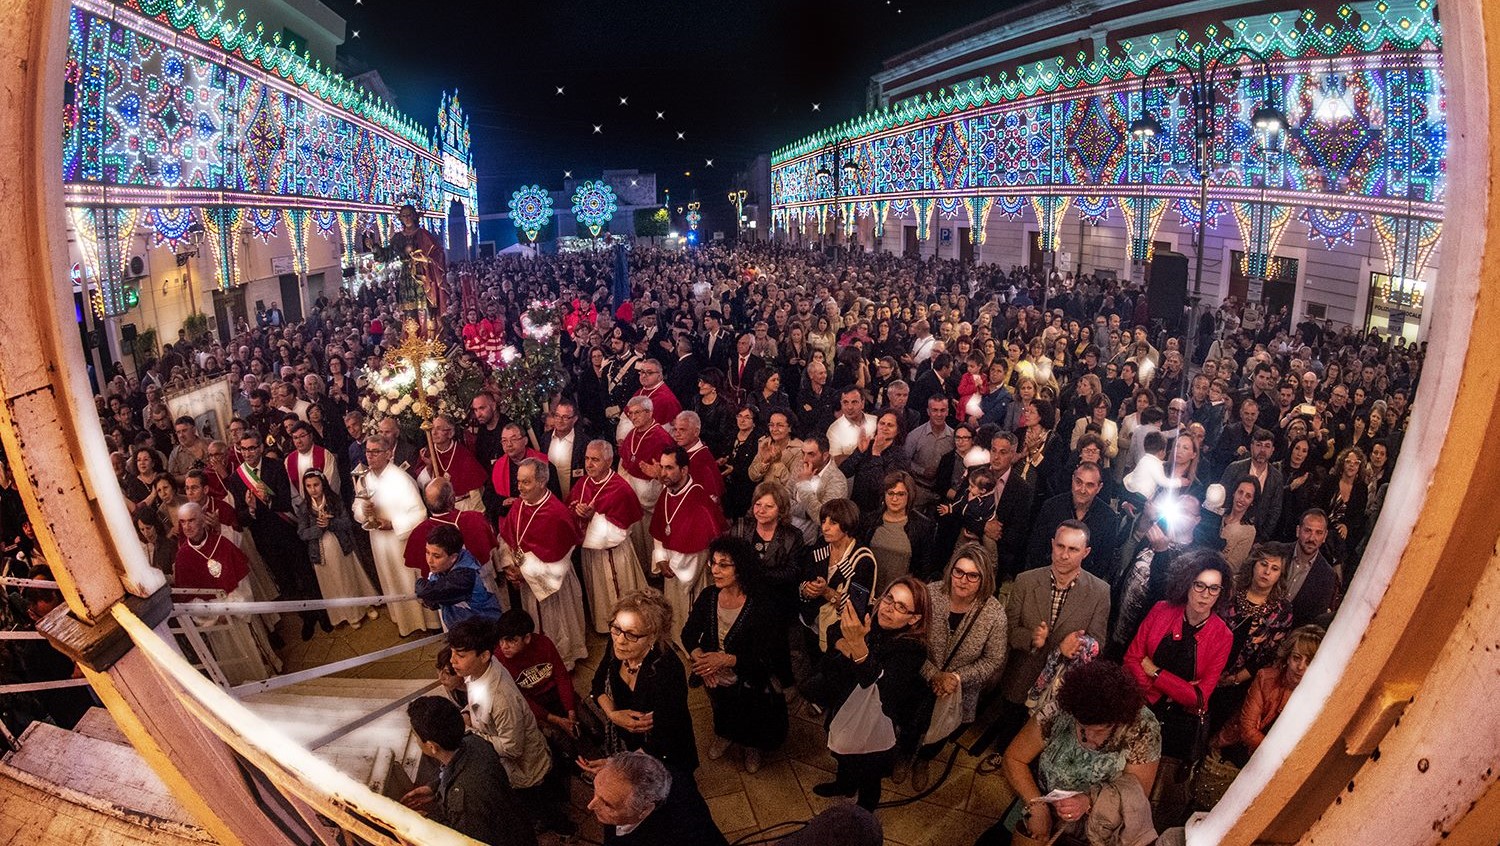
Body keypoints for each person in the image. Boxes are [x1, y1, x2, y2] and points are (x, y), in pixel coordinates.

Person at [802, 576, 931, 810]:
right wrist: (844, 644)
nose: (889, 608)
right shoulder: (871, 612)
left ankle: (864, 812)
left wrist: (858, 646)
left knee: (868, 770)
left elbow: (881, 686)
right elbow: (833, 630)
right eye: (889, 598)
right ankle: (844, 785)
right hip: (844, 699)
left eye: (901, 607)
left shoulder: (913, 649)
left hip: (875, 718)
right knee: (842, 752)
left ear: (914, 618)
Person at [985, 520, 1111, 760]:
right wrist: (1032, 638)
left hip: (1061, 684)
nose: (1064, 555)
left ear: (1086, 552)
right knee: (1011, 723)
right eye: (1060, 546)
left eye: (1073, 550)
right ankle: (1004, 756)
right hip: (1022, 674)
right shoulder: (1026, 580)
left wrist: (1070, 648)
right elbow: (1008, 629)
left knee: (1045, 733)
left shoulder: (1100, 591)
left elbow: (1098, 643)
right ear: (1052, 545)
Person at [998, 660, 1161, 846]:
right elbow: (1014, 758)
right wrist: (1036, 806)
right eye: (1082, 728)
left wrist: (1088, 801)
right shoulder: (1059, 709)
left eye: (1100, 731)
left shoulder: (1143, 727)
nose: (1090, 738)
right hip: (1041, 799)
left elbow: (1135, 795)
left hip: (1101, 823)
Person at [1124, 549, 1234, 812]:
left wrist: (1156, 673)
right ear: (1187, 583)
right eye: (1200, 586)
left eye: (1213, 589)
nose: (1205, 595)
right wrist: (1167, 689)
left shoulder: (1223, 635)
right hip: (1140, 707)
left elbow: (1199, 698)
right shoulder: (1162, 610)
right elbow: (1131, 659)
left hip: (1178, 726)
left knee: (1153, 797)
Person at [444, 618, 573, 837]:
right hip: (515, 762)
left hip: (525, 769)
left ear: (484, 655)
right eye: (453, 652)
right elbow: (477, 702)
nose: (452, 661)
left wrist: (471, 732)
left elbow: (513, 748)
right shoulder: (479, 671)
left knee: (540, 802)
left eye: (461, 655)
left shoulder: (500, 698)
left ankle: (565, 828)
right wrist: (467, 712)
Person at [681, 535, 787, 773]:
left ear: (741, 568)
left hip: (750, 676)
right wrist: (702, 661)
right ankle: (725, 735)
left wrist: (727, 659)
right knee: (722, 708)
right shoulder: (709, 596)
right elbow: (688, 634)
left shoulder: (761, 604)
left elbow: (767, 655)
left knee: (750, 712)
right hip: (714, 675)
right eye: (713, 563)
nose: (715, 570)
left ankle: (751, 745)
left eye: (724, 565)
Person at [913, 544, 1008, 791]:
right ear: (950, 570)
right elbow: (910, 640)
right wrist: (933, 674)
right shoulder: (931, 594)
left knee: (942, 730)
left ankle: (923, 760)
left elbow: (994, 659)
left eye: (972, 575)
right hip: (920, 677)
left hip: (959, 688)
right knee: (912, 721)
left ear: (984, 578)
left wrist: (955, 677)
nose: (963, 580)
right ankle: (904, 755)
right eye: (959, 572)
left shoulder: (994, 613)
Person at [400, 695, 538, 846]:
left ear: (432, 746)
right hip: (518, 829)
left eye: (416, 736)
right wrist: (435, 788)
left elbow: (466, 839)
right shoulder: (475, 743)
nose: (415, 740)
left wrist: (424, 823)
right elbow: (464, 769)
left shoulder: (463, 800)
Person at [588, 589, 699, 773]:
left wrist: (618, 766)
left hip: (661, 750)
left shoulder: (668, 670)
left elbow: (666, 733)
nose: (620, 641)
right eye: (616, 628)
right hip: (627, 740)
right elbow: (598, 684)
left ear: (653, 637)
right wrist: (613, 714)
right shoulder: (615, 642)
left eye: (632, 635)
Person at [499, 458, 586, 669]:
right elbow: (508, 538)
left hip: (554, 584)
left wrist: (524, 573)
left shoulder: (557, 513)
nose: (519, 487)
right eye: (518, 481)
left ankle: (563, 660)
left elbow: (560, 561)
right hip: (528, 579)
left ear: (542, 482)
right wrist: (510, 566)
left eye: (526, 482)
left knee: (558, 623)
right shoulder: (519, 506)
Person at [352, 435, 439, 636]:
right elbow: (355, 507)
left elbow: (419, 513)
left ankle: (424, 622)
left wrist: (393, 524)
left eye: (375, 452)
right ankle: (403, 622)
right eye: (368, 451)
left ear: (388, 454)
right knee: (389, 580)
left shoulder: (401, 478)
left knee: (406, 581)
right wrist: (364, 512)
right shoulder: (364, 478)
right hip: (378, 541)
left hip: (400, 541)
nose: (370, 456)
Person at [1211, 542, 1295, 736]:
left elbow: (1268, 656)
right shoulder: (1230, 591)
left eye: (1274, 569)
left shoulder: (1282, 611)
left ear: (1280, 576)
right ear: (1254, 564)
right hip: (1205, 667)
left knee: (1215, 726)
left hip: (1239, 684)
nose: (1266, 572)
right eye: (1263, 564)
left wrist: (1233, 680)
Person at [1212, 625, 1324, 766]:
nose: (1301, 667)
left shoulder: (1318, 696)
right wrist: (1279, 757)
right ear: (1288, 657)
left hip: (1278, 763)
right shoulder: (1266, 677)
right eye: (1296, 658)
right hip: (1241, 749)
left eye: (1309, 662)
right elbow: (1247, 729)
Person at [648, 446, 726, 646]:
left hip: (689, 571)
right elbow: (660, 530)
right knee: (674, 609)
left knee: (690, 611)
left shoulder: (699, 500)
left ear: (684, 470)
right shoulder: (667, 493)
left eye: (669, 468)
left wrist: (672, 565)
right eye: (662, 467)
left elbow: (701, 549)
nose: (663, 473)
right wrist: (661, 558)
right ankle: (675, 638)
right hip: (671, 567)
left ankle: (692, 646)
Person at [569, 439, 647, 634]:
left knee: (620, 593)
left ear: (609, 461)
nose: (588, 464)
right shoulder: (582, 483)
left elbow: (622, 529)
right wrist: (576, 511)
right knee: (599, 593)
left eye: (595, 459)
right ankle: (605, 626)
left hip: (614, 553)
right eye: (587, 459)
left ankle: (626, 628)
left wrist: (592, 517)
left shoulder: (620, 488)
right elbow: (569, 508)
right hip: (591, 553)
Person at [294, 469, 378, 629]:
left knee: (349, 578)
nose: (313, 489)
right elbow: (302, 533)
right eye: (309, 486)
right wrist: (318, 529)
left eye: (316, 485)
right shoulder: (304, 508)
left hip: (340, 547)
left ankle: (365, 605)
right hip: (321, 553)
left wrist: (330, 524)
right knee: (333, 585)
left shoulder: (334, 500)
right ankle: (348, 615)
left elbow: (347, 522)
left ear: (323, 484)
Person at [587, 750, 727, 846]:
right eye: (596, 791)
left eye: (607, 804)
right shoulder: (657, 772)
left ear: (645, 810)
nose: (590, 805)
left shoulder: (682, 836)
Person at [493, 609, 581, 756]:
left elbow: (561, 676)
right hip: (532, 704)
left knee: (591, 727)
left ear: (527, 638)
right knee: (560, 743)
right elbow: (520, 698)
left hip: (553, 693)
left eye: (511, 640)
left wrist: (570, 710)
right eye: (501, 640)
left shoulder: (544, 643)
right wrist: (554, 719)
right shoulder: (500, 659)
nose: (504, 646)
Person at [799, 498, 877, 660]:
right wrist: (807, 589)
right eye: (823, 521)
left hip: (838, 634)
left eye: (833, 522)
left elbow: (856, 609)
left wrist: (826, 592)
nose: (825, 527)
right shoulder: (821, 546)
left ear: (847, 524)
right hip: (811, 622)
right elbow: (804, 578)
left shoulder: (862, 559)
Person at [415, 524, 502, 630]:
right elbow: (433, 603)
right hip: (462, 629)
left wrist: (421, 585)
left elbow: (430, 592)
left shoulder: (465, 576)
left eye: (436, 556)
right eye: (427, 552)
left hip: (483, 631)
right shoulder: (443, 566)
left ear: (453, 557)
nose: (429, 560)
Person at [857, 469, 935, 588]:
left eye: (900, 494)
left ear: (910, 495)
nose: (894, 499)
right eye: (890, 493)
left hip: (900, 594)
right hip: (868, 590)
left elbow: (924, 569)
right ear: (884, 494)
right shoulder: (869, 521)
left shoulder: (923, 526)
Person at [841, 409, 910, 512]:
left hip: (878, 512)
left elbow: (882, 488)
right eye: (882, 423)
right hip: (856, 507)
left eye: (890, 425)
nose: (884, 428)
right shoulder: (868, 445)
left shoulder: (900, 455)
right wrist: (859, 452)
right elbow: (843, 472)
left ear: (898, 430)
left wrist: (876, 454)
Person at [418, 414, 489, 512]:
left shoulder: (463, 454)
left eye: (439, 429)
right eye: (432, 429)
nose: (434, 433)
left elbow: (475, 489)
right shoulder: (428, 452)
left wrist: (477, 513)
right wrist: (429, 467)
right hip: (439, 508)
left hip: (463, 506)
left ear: (450, 433)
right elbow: (422, 484)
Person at [789, 434, 849, 544]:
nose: (804, 459)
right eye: (803, 453)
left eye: (811, 454)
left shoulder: (837, 480)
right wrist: (806, 513)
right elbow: (784, 498)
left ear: (825, 455)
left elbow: (823, 518)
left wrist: (803, 485)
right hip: (788, 533)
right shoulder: (800, 465)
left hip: (815, 543)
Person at [1217, 477, 1261, 573]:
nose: (1242, 499)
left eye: (1248, 496)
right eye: (1240, 492)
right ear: (1234, 493)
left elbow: (1233, 567)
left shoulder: (1249, 531)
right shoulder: (1218, 513)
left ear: (1252, 502)